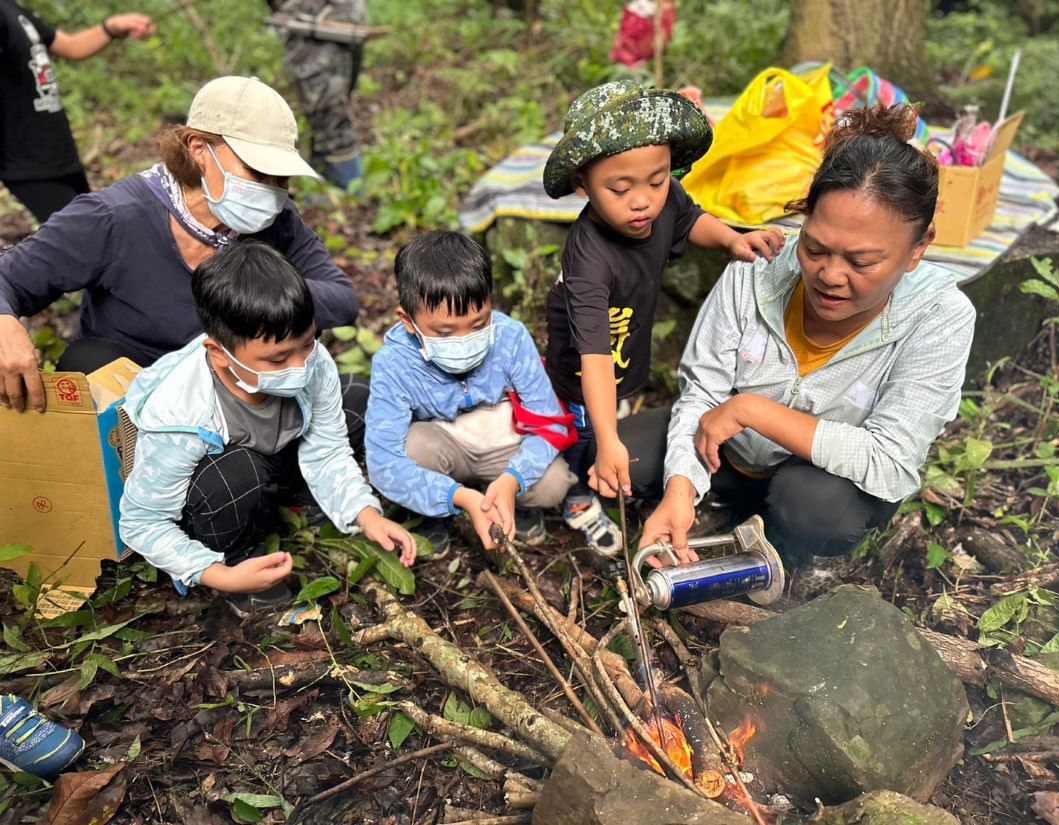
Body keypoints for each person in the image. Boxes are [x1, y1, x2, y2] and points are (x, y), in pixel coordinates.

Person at [636, 104, 976, 569]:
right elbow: (702, 396)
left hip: (816, 480)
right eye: (814, 248)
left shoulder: (940, 315)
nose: (830, 276)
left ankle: (788, 545)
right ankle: (724, 503)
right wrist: (681, 488)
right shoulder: (757, 269)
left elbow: (891, 460)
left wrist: (753, 410)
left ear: (919, 248)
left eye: (862, 262)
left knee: (817, 510)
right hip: (730, 456)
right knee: (612, 451)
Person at [0, 75, 360, 413]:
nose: (272, 189)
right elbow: (9, 279)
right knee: (86, 363)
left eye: (281, 177)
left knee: (359, 398)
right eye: (258, 172)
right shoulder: (113, 218)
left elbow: (341, 300)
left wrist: (261, 294)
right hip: (138, 390)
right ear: (199, 148)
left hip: (239, 383)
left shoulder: (276, 218)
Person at [541, 79, 784, 555]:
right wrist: (608, 437)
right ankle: (576, 492)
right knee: (583, 431)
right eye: (620, 187)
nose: (643, 200)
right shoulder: (589, 260)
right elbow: (593, 358)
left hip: (627, 347)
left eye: (656, 180)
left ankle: (607, 466)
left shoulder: (664, 199)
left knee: (621, 404)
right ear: (581, 183)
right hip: (583, 368)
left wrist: (733, 239)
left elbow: (691, 218)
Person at [119, 242, 415, 612]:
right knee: (238, 473)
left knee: (357, 397)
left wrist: (365, 513)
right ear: (218, 354)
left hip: (277, 457)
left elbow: (328, 448)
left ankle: (296, 503)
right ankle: (240, 557)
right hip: (226, 486)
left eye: (307, 344)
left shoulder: (311, 362)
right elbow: (142, 521)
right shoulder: (179, 414)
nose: (300, 365)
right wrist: (218, 575)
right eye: (278, 359)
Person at [366, 231, 576, 555]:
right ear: (408, 321)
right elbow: (384, 462)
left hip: (503, 444)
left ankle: (512, 502)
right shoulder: (394, 364)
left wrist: (512, 480)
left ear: (490, 305)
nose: (464, 340)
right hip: (445, 445)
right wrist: (458, 496)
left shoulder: (511, 338)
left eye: (478, 325)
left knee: (554, 483)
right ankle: (436, 510)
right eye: (444, 332)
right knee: (413, 448)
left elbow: (550, 422)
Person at [0, 3, 155, 223]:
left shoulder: (11, 9)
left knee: (92, 230)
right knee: (86, 235)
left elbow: (71, 46)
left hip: (57, 150)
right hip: (24, 160)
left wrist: (111, 27)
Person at [266, 0, 366, 189]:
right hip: (327, 19)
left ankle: (346, 192)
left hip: (319, 21)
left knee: (330, 114)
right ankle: (328, 184)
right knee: (329, 113)